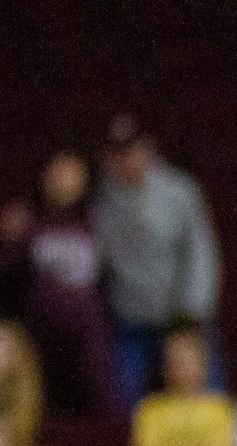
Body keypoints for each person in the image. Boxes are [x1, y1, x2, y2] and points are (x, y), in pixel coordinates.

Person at [94, 114, 222, 407]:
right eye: (116, 153)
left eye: (130, 150)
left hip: (181, 313)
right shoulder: (100, 202)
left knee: (208, 390)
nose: (125, 160)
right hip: (133, 318)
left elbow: (200, 250)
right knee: (126, 398)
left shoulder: (179, 191)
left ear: (147, 149)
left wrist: (195, 308)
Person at [0, 152, 119, 420]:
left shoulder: (98, 223)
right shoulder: (31, 224)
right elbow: (7, 279)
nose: (63, 180)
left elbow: (113, 279)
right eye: (57, 171)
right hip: (41, 336)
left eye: (70, 172)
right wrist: (11, 241)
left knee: (103, 397)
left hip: (88, 339)